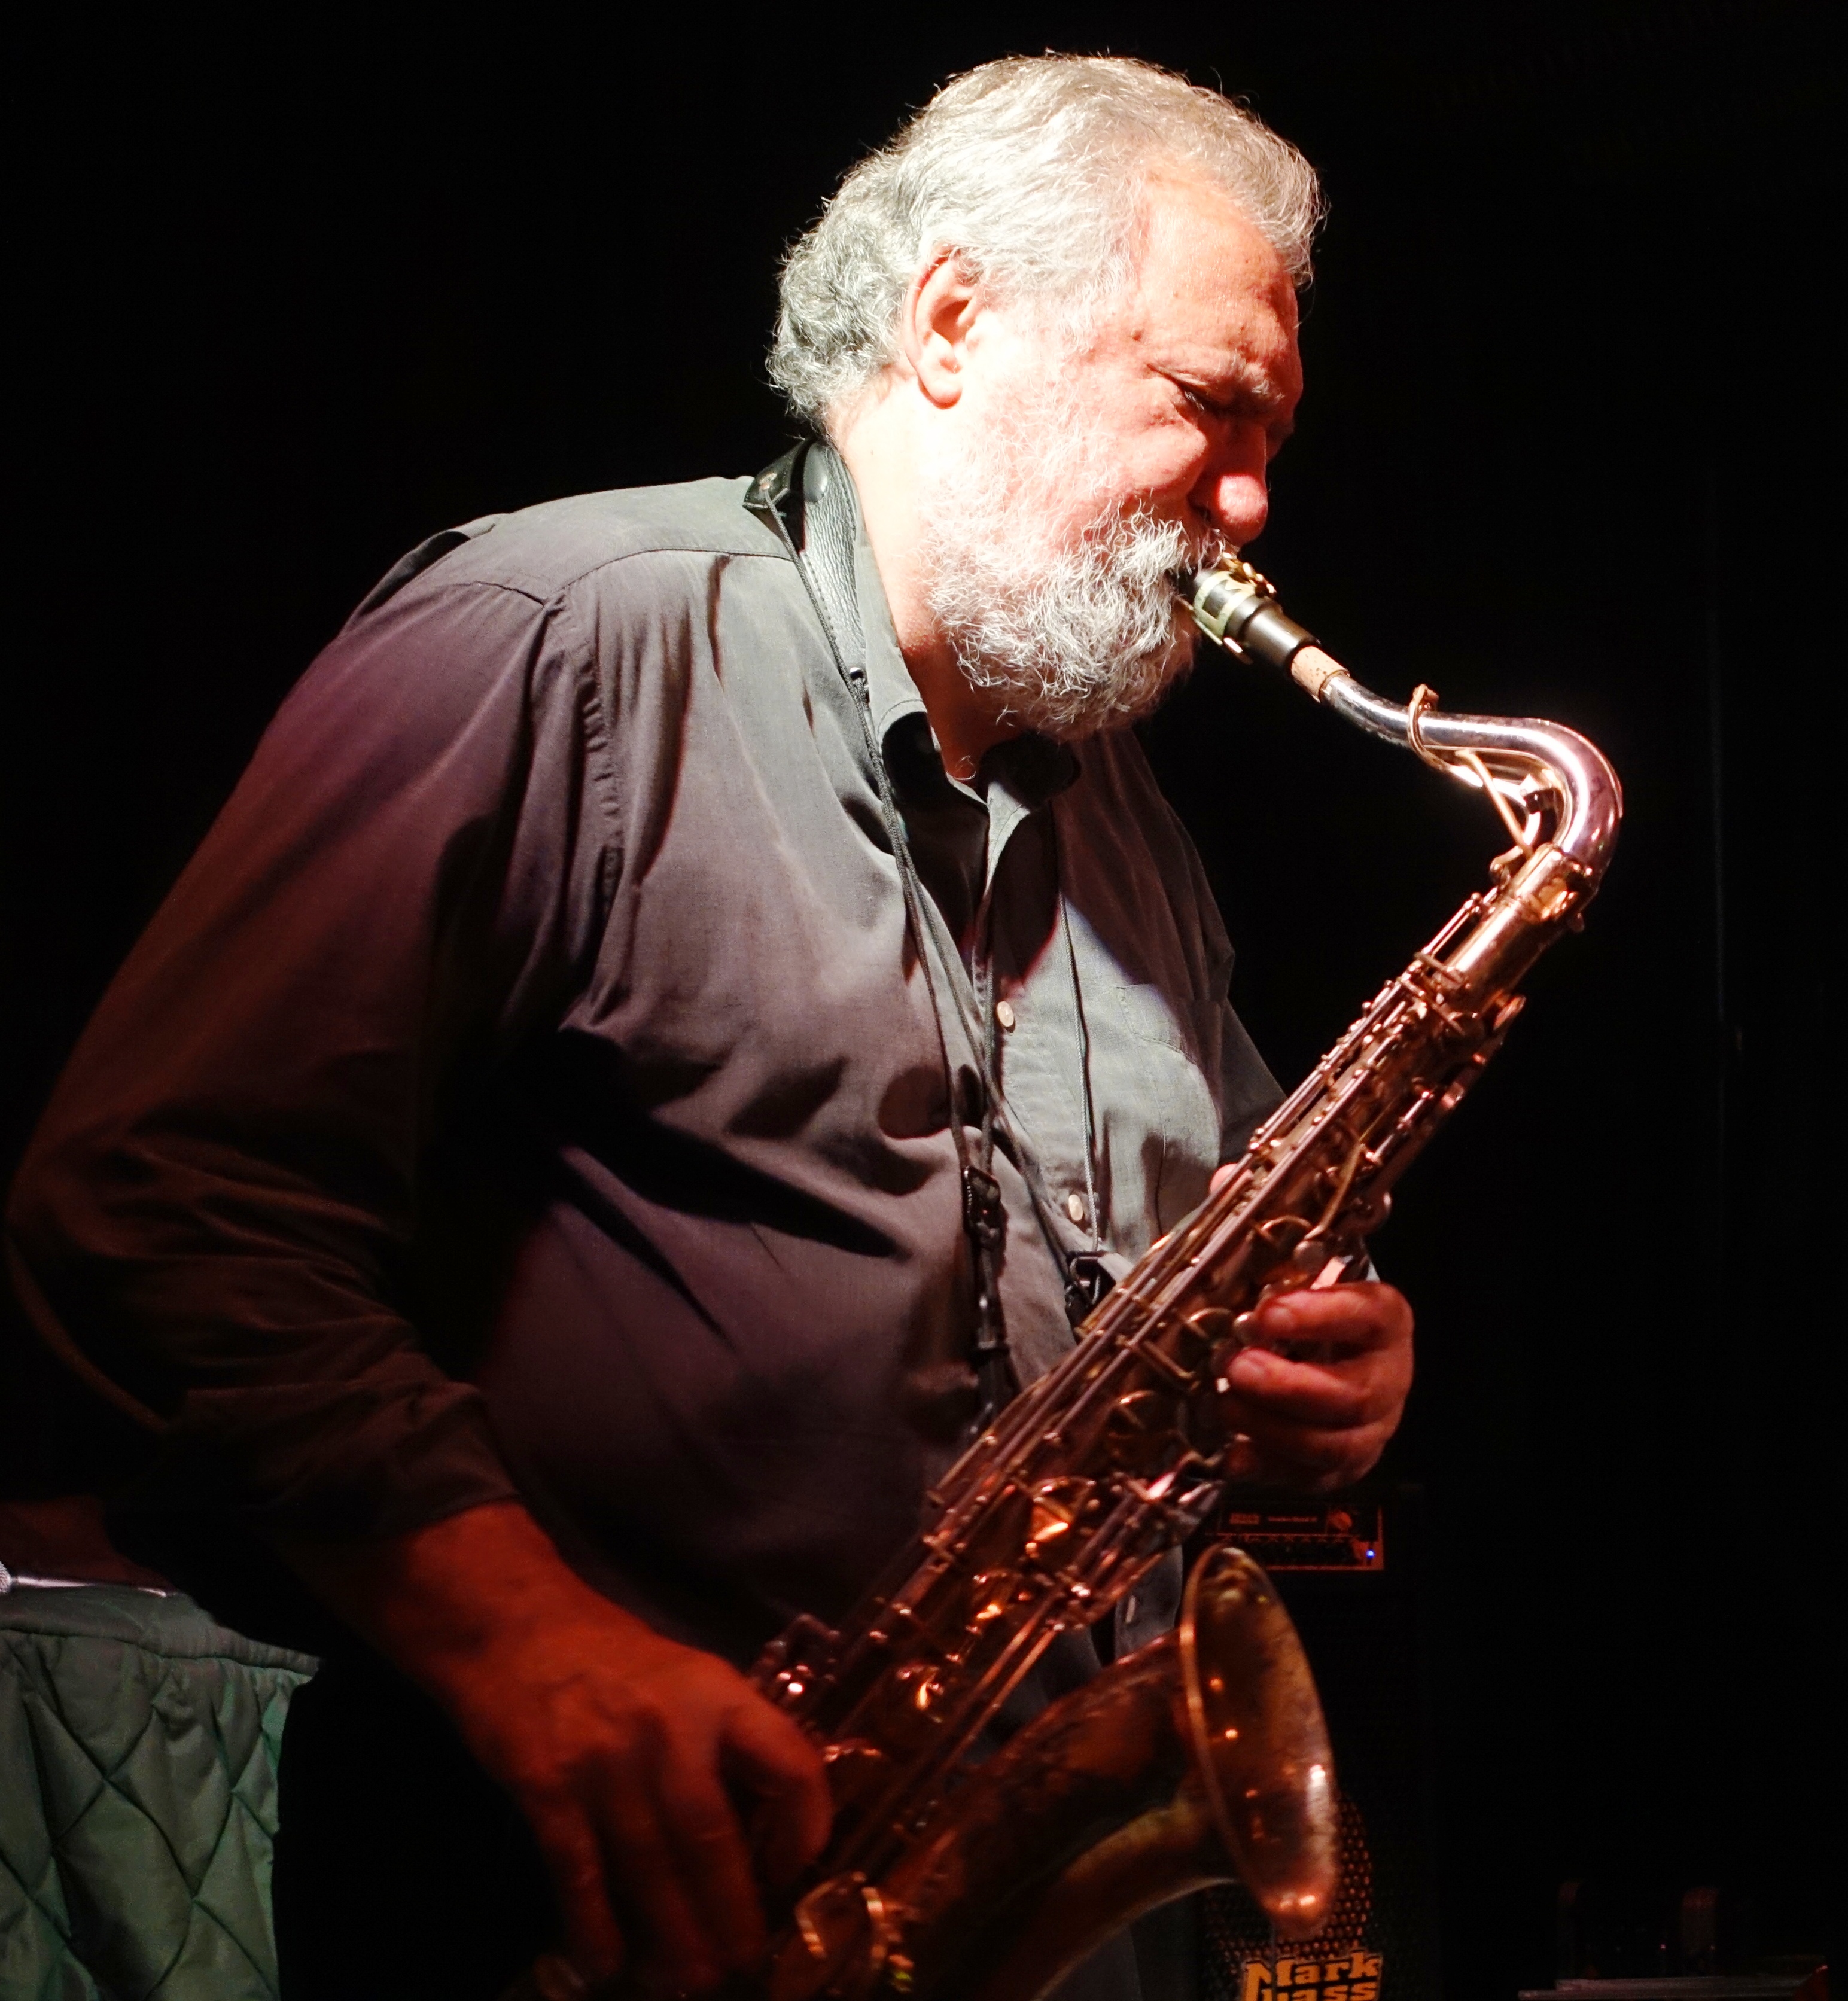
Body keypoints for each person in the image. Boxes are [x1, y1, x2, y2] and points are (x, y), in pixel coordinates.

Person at [4, 56, 1411, 2000]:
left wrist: (1333, 1362)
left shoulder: (1127, 815)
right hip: (605, 1905)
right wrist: (522, 1638)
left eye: (1275, 433)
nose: (1252, 500)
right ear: (950, 322)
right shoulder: (561, 629)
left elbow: (1240, 1244)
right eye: (1206, 406)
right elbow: (158, 1193)